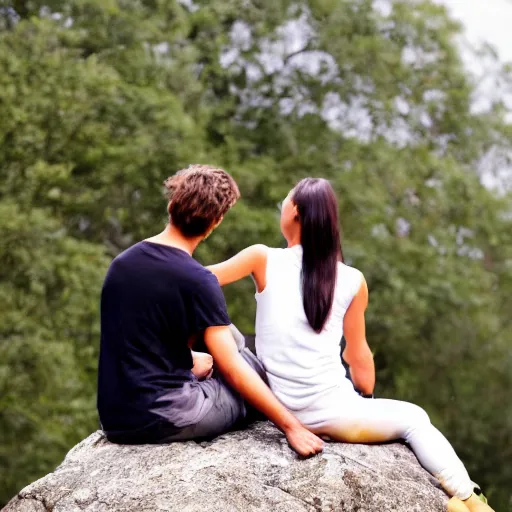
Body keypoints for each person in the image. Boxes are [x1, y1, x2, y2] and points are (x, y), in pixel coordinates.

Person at [207, 177, 494, 512]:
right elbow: (358, 357)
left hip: (278, 403)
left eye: (285, 199)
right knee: (415, 418)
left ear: (295, 212)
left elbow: (201, 279)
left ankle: (462, 504)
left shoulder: (261, 258)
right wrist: (365, 397)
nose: (282, 205)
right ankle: (469, 499)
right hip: (333, 411)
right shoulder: (352, 280)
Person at [97, 165, 323, 457]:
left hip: (116, 419)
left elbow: (131, 342)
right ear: (215, 222)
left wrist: (187, 362)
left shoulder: (122, 265)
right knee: (252, 370)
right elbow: (232, 367)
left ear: (171, 204)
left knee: (227, 339)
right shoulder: (198, 281)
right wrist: (292, 426)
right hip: (168, 416)